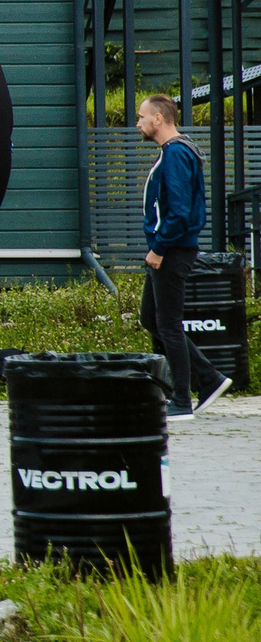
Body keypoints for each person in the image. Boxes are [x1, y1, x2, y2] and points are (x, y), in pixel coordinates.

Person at [139, 94, 230, 418]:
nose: (138, 123)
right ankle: (209, 378)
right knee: (150, 318)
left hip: (171, 250)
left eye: (142, 117)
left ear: (158, 119)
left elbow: (178, 211)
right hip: (172, 248)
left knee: (168, 324)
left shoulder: (176, 154)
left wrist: (159, 249)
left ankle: (182, 399)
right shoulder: (178, 150)